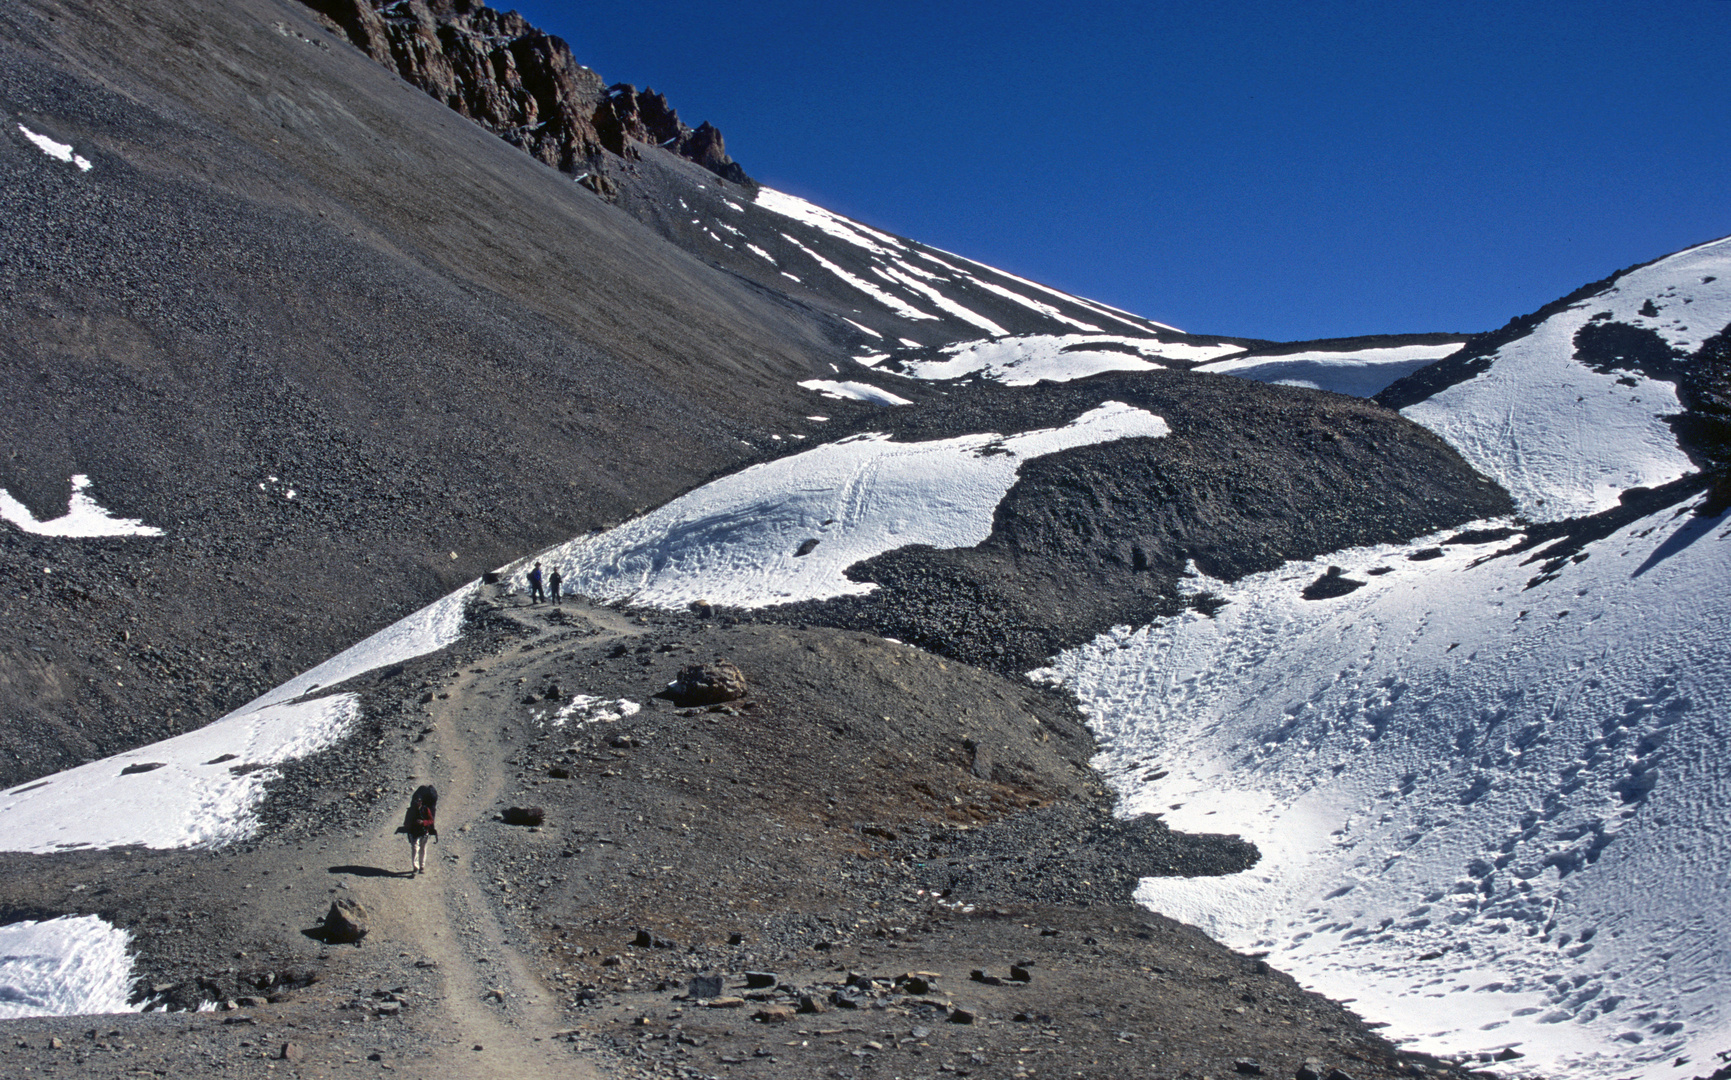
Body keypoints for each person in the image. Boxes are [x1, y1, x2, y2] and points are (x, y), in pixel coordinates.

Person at [399, 784, 438, 876]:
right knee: (415, 849)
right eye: (416, 801)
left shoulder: (425, 810)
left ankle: (421, 866)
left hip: (424, 831)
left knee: (422, 849)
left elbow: (431, 820)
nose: (417, 802)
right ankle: (416, 867)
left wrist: (423, 823)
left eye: (419, 801)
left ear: (421, 802)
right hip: (414, 832)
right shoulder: (411, 811)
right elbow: (406, 822)